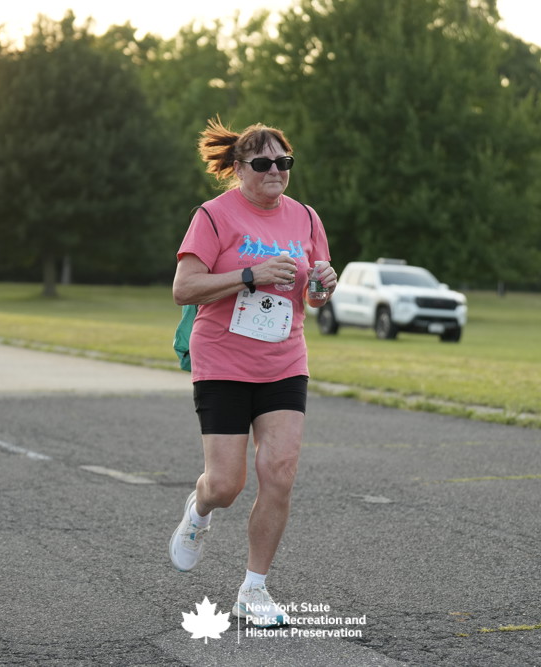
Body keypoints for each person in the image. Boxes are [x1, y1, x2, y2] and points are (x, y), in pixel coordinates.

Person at [169, 118, 337, 627]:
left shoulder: (306, 218)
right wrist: (250, 275)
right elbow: (184, 287)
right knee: (226, 484)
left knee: (280, 471)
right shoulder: (213, 216)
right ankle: (199, 511)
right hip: (223, 361)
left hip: (284, 361)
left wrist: (322, 285)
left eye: (283, 162)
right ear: (239, 168)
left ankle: (253, 589)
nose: (275, 171)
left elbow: (312, 294)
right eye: (262, 163)